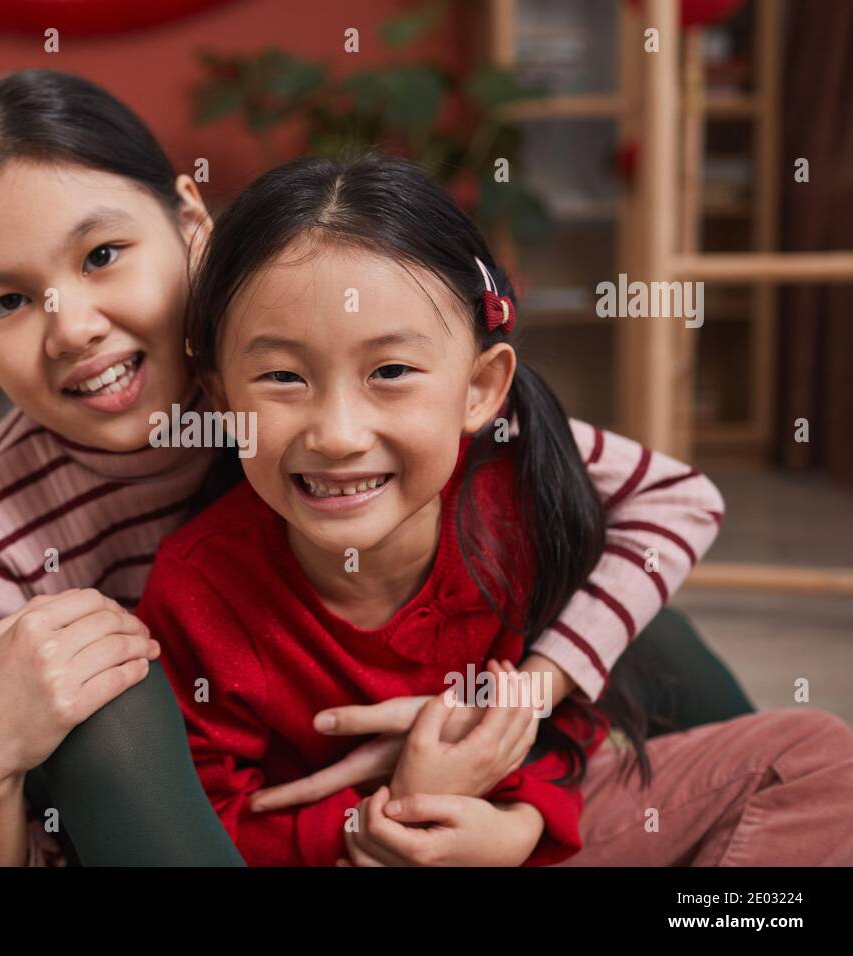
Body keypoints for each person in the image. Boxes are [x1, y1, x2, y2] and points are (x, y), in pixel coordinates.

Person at [0, 69, 734, 867]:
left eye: (102, 255)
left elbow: (671, 498)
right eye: (6, 302)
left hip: (424, 739)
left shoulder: (345, 375)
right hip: (219, 812)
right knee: (100, 691)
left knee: (617, 601)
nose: (74, 328)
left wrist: (527, 694)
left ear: (192, 223)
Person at [134, 151, 853, 865]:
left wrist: (524, 822)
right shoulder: (200, 589)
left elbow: (572, 718)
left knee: (813, 758)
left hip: (533, 823)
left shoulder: (511, 498)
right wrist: (387, 820)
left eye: (390, 372)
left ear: (480, 388)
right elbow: (211, 828)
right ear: (223, 399)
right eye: (283, 377)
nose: (338, 435)